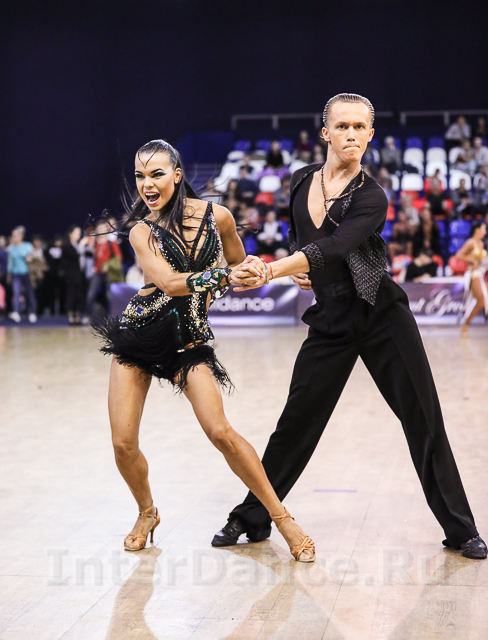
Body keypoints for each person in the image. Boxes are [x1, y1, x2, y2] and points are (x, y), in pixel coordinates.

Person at [212, 93, 486, 560]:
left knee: (423, 417)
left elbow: (335, 247)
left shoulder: (371, 195)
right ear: (326, 132)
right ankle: (253, 515)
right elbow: (305, 241)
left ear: (371, 135)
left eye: (361, 127)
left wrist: (273, 269)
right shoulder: (301, 181)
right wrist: (299, 271)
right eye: (343, 126)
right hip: (332, 319)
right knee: (296, 422)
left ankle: (462, 529)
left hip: (381, 315)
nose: (352, 134)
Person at [93, 139, 314, 562]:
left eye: (157, 174)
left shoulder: (219, 217)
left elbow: (241, 267)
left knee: (220, 432)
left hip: (189, 341)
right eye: (140, 176)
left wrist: (281, 273)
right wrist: (222, 277)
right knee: (123, 443)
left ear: (177, 175)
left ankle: (283, 518)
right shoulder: (141, 230)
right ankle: (147, 512)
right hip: (140, 335)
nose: (147, 184)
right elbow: (169, 282)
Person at [83, 221, 123, 322]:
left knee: (108, 296)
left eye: (104, 228)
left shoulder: (111, 242)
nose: (102, 230)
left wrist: (108, 265)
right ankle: (88, 316)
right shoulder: (94, 242)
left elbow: (118, 257)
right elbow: (91, 256)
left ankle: (110, 317)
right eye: (100, 228)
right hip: (97, 272)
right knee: (90, 294)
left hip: (108, 273)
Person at [455, 222, 488, 336]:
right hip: (473, 274)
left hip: (481, 274)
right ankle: (465, 324)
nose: (485, 231)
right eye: (483, 229)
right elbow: (458, 255)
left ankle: (466, 324)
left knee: (484, 300)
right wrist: (472, 260)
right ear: (477, 230)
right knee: (481, 301)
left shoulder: (481, 243)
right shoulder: (470, 242)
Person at [7, 226, 37, 323]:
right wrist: (9, 274)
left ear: (21, 236)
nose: (13, 238)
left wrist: (30, 258)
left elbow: (34, 256)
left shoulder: (27, 246)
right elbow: (10, 262)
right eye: (13, 236)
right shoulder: (11, 248)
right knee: (16, 293)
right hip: (16, 274)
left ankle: (32, 312)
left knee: (30, 293)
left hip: (27, 273)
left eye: (15, 236)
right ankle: (16, 312)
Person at [62, 225, 83, 325]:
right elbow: (74, 255)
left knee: (78, 296)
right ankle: (70, 316)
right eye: (76, 233)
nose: (78, 235)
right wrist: (81, 246)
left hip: (78, 275)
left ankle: (77, 316)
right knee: (71, 296)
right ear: (70, 234)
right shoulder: (67, 247)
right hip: (70, 276)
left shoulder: (78, 246)